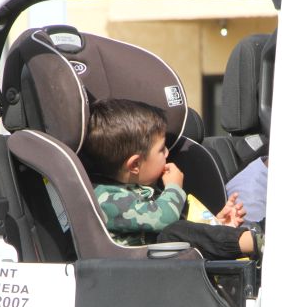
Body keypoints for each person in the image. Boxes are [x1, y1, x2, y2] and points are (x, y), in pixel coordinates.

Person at [84, 97, 261, 260]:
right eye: (162, 149)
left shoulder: (144, 189)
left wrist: (217, 225)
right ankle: (256, 242)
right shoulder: (105, 199)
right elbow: (164, 219)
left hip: (169, 263)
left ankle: (243, 240)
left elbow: (186, 231)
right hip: (138, 269)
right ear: (135, 165)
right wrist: (174, 187)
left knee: (178, 232)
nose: (168, 153)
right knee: (174, 232)